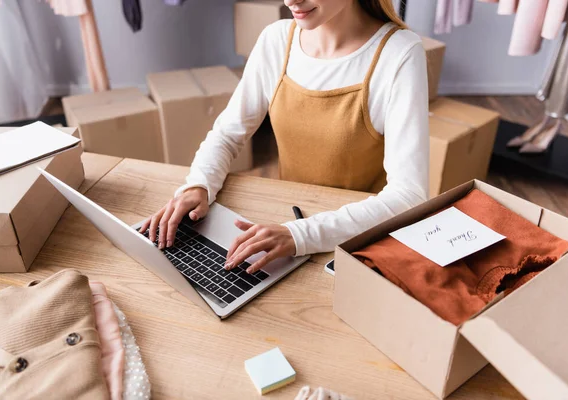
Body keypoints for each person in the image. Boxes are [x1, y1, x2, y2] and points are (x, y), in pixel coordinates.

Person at [141, 0, 429, 274]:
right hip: (287, 222)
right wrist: (198, 185)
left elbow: (408, 196)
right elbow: (228, 133)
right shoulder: (277, 39)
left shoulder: (399, 53)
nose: (291, 1)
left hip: (355, 240)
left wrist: (300, 235)